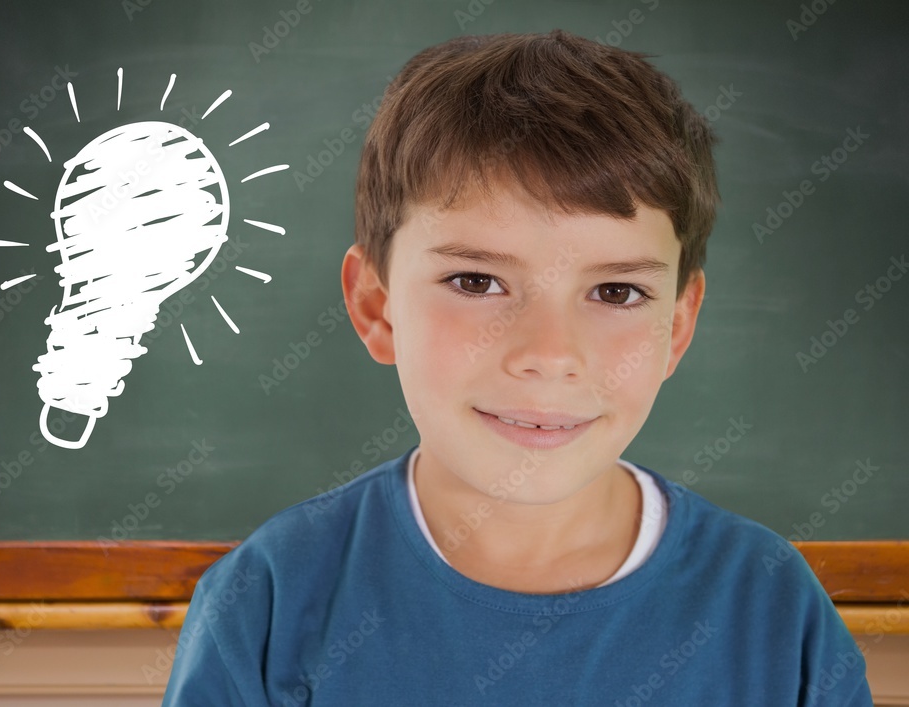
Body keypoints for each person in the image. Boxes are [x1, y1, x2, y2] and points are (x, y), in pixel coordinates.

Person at [162, 30, 873, 706]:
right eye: (476, 281)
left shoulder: (771, 607)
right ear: (377, 306)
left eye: (616, 291)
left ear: (678, 326)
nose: (548, 353)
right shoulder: (270, 599)